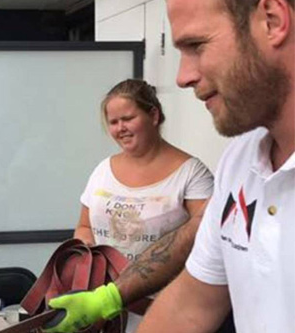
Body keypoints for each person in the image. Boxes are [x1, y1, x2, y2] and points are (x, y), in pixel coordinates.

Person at [138, 0, 294, 331]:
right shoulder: (240, 161)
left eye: (196, 45)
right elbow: (189, 307)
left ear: (272, 20)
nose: (183, 77)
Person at [45, 79, 213, 332]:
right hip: (100, 309)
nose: (120, 128)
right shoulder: (103, 170)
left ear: (153, 115)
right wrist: (86, 261)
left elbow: (208, 240)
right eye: (113, 122)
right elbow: (83, 226)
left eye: (128, 118)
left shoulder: (192, 174)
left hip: (160, 313)